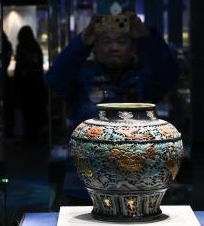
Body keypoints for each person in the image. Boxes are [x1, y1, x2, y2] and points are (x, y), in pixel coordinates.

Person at [44, 12, 180, 130]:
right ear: (95, 48)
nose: (114, 47)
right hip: (91, 151)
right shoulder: (82, 78)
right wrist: (82, 42)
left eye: (121, 41)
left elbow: (170, 74)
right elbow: (54, 80)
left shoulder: (144, 79)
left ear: (132, 48)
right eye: (106, 41)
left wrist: (147, 38)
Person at [15, 26, 47, 142]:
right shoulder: (36, 47)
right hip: (36, 84)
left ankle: (28, 136)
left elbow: (19, 67)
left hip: (25, 85)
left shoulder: (21, 48)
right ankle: (36, 135)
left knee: (27, 112)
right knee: (35, 110)